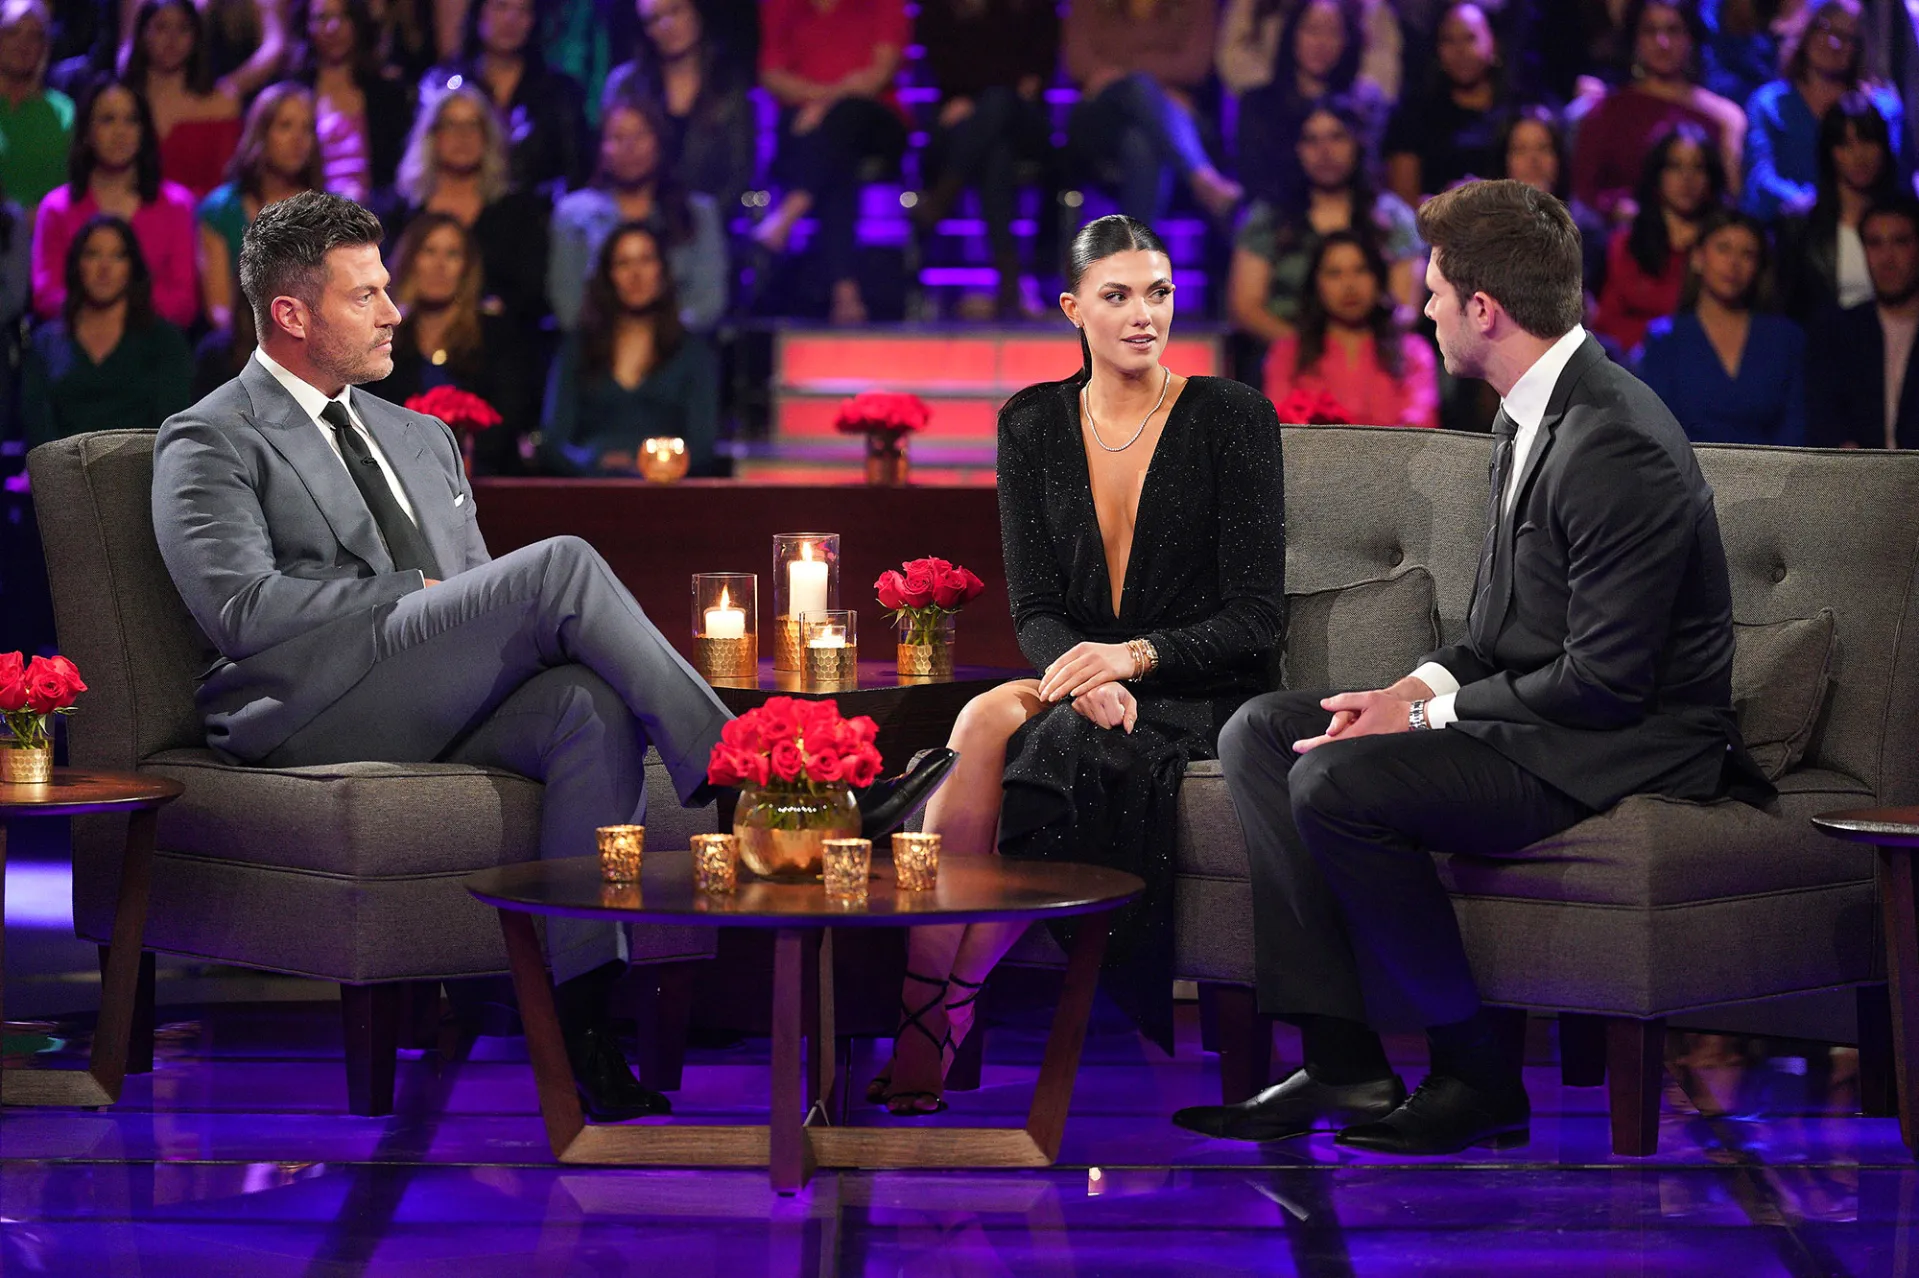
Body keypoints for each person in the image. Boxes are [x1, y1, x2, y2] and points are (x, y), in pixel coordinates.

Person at [1173, 178, 1765, 1156]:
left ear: (1482, 309)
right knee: (1264, 733)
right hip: (1546, 713)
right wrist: (1409, 691)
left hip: (1623, 737)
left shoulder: (1612, 439)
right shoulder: (1524, 415)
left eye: (1435, 293)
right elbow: (1498, 636)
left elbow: (1603, 683)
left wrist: (1417, 722)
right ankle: (1341, 1059)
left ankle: (1476, 1076)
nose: (1423, 311)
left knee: (1334, 781)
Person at [149, 190, 732, 1124]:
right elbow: (241, 611)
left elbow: (476, 602)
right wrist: (401, 592)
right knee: (562, 564)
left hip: (430, 691)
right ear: (291, 314)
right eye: (365, 296)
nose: (394, 311)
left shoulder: (420, 436)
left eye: (386, 289)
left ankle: (583, 1023)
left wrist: (445, 604)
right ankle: (747, 773)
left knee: (589, 705)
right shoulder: (211, 434)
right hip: (307, 709)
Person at [864, 214, 1286, 1115]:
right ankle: (923, 1002)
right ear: (1072, 309)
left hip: (1194, 687)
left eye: (1158, 293)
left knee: (1052, 745)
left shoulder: (1232, 416)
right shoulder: (1031, 423)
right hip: (1082, 678)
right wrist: (1088, 675)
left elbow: (1255, 618)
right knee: (981, 716)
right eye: (1117, 296)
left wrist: (1130, 661)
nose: (1144, 315)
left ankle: (937, 1012)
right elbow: (1036, 611)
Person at [753, 0, 910, 325]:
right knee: (835, 159)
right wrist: (824, 104)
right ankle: (845, 291)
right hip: (808, 125)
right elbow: (771, 75)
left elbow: (879, 73)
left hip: (874, 120)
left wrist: (826, 105)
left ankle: (789, 212)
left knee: (844, 118)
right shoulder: (781, 5)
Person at [1227, 95, 1422, 346]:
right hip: (1288, 352)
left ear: (1357, 143)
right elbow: (1245, 309)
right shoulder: (1268, 219)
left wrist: (1355, 353)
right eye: (1312, 140)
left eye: (1337, 137)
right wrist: (1311, 353)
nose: (1325, 152)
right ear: (1296, 149)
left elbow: (1406, 309)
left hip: (1374, 354)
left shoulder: (1393, 216)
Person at [910, 0, 1059, 320]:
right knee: (996, 153)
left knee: (999, 102)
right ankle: (1009, 282)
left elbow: (1032, 80)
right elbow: (944, 68)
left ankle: (942, 197)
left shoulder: (1031, 9)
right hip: (967, 125)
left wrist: (976, 97)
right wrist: (985, 92)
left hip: (1026, 123)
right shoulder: (941, 11)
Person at [361, 211, 540, 474]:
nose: (440, 265)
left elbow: (509, 419)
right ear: (411, 261)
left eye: (452, 254)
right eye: (429, 251)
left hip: (484, 478)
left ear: (466, 267)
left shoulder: (496, 336)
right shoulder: (384, 337)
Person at [541, 219, 719, 476]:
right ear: (608, 275)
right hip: (589, 487)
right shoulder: (577, 348)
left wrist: (649, 466)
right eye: (623, 263)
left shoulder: (692, 352)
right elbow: (553, 441)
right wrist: (593, 464)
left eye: (646, 260)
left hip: (663, 488)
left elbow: (702, 445)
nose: (636, 274)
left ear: (662, 269)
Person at [547, 94, 726, 333]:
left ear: (659, 143)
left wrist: (652, 338)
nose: (629, 147)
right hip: (595, 347)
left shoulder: (699, 212)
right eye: (617, 137)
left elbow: (708, 303)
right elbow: (568, 306)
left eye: (640, 135)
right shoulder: (572, 214)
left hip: (677, 345)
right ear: (601, 148)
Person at [32, 74, 198, 327]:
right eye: (108, 119)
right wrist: (99, 316)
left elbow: (183, 300)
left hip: (151, 337)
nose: (120, 132)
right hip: (76, 336)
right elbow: (47, 294)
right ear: (87, 132)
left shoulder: (177, 205)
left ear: (143, 131)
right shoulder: (56, 208)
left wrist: (120, 314)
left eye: (131, 120)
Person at [382, 82, 551, 328]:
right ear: (433, 136)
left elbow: (528, 294)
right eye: (451, 125)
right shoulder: (400, 212)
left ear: (488, 137)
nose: (463, 136)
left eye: (473, 125)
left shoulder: (519, 213)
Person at [1062, 0, 1240, 226]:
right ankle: (1203, 179)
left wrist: (1117, 74)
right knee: (1137, 88)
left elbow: (1194, 65)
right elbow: (1079, 63)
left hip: (1175, 120)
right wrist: (1155, 88)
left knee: (1140, 141)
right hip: (1100, 116)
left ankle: (1133, 246)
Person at [21, 212, 192, 446]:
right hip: (62, 465)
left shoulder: (165, 341)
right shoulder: (46, 343)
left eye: (117, 256)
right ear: (77, 264)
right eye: (93, 254)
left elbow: (171, 429)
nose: (104, 267)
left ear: (131, 267)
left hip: (142, 466)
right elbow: (37, 429)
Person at [1637, 207, 1805, 444]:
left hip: (1770, 466)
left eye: (1747, 254)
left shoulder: (1785, 339)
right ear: (1698, 257)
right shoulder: (1665, 337)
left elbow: (1795, 429)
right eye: (1723, 248)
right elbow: (1656, 431)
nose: (1734, 263)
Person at [1570, 0, 1745, 223]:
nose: (1662, 43)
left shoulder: (1723, 117)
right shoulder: (1606, 112)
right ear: (1635, 39)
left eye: (1673, 30)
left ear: (1690, 37)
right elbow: (1584, 194)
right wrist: (1617, 210)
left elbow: (1730, 201)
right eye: (1650, 31)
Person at [1740, 0, 1903, 223]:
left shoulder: (1882, 108)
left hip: (1866, 227)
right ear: (1806, 31)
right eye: (1826, 29)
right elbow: (1759, 183)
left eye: (1847, 37)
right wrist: (1818, 207)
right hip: (1788, 228)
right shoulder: (1769, 104)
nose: (1834, 43)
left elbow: (1894, 182)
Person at [1264, 229, 1438, 427]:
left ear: (1378, 278)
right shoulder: (1288, 353)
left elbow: (1421, 427)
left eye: (1361, 270)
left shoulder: (1412, 352)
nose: (1349, 285)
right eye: (1334, 273)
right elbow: (1279, 425)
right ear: (1316, 284)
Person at [1221, 0, 1386, 209]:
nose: (1321, 43)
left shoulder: (1361, 106)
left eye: (1332, 32)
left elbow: (1367, 180)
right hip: (1279, 215)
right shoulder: (1258, 104)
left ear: (1347, 41)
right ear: (1293, 34)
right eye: (1312, 30)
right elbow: (1255, 183)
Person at [600, 0, 756, 222]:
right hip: (633, 225)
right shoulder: (626, 85)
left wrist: (700, 223)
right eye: (653, 19)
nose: (667, 25)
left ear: (696, 12)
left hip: (708, 224)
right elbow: (610, 162)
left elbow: (739, 171)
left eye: (675, 11)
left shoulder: (729, 86)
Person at [423, 0, 590, 197]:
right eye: (501, 6)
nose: (511, 19)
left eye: (523, 10)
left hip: (536, 209)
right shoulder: (445, 84)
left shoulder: (560, 92)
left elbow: (575, 171)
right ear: (479, 13)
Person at [198, 80, 323, 331]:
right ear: (261, 134)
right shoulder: (220, 209)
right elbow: (219, 309)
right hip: (243, 341)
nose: (298, 139)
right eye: (285, 126)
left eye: (307, 128)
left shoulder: (331, 212)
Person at [1593, 121, 1727, 354]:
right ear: (1657, 175)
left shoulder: (1722, 249)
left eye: (1698, 168)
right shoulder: (1625, 245)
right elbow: (1606, 323)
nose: (1687, 178)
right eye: (1675, 166)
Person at [1776, 93, 1902, 325]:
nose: (1859, 156)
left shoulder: (1907, 220)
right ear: (1830, 152)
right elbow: (1787, 308)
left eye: (1867, 141)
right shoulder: (1799, 224)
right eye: (1845, 144)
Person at [1807, 197, 1919, 450]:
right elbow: (1825, 420)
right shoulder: (1836, 331)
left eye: (1900, 242)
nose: (1887, 258)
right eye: (1875, 243)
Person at [1383, 3, 1510, 207]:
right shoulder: (1413, 117)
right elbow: (1403, 203)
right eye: (1449, 40)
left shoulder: (1517, 112)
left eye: (1470, 38)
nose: (1460, 51)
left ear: (1493, 44)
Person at [294, 0, 415, 206]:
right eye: (322, 18)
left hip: (377, 213)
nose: (333, 28)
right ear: (306, 25)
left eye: (343, 16)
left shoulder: (388, 95)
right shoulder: (295, 93)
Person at [125, 0, 241, 200]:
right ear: (142, 35)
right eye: (161, 27)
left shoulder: (221, 104)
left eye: (183, 28)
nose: (172, 39)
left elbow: (224, 186)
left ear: (196, 37)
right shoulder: (121, 101)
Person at [1497, 107, 1611, 298]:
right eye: (1520, 150)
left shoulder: (1586, 228)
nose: (1533, 160)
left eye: (1544, 148)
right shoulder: (1485, 227)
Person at [0, 0, 74, 219]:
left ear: (45, 46)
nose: (23, 44)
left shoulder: (64, 112)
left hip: (48, 228)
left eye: (34, 36)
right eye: (12, 32)